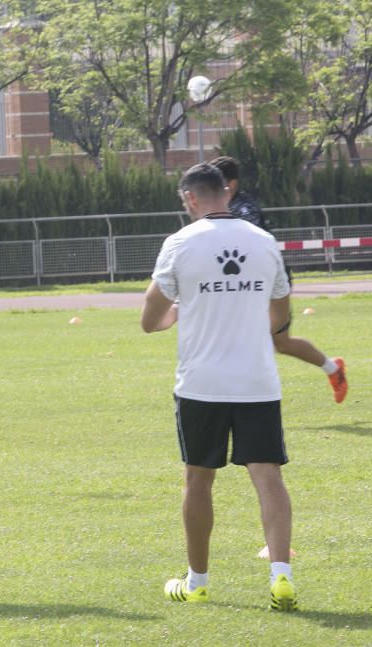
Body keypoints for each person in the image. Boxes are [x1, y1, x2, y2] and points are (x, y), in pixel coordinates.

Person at [141, 162, 298, 611]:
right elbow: (281, 311)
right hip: (257, 380)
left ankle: (198, 582)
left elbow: (150, 318)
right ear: (226, 194)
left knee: (198, 480)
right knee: (268, 477)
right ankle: (282, 577)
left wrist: (173, 315)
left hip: (202, 383)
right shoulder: (264, 242)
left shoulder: (179, 244)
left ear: (190, 198)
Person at [210, 156, 347, 403]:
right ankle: (333, 369)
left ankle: (248, 399)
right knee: (281, 343)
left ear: (230, 184)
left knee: (251, 338)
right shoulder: (220, 207)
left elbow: (245, 243)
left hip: (267, 284)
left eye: (217, 183)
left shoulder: (243, 208)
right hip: (247, 284)